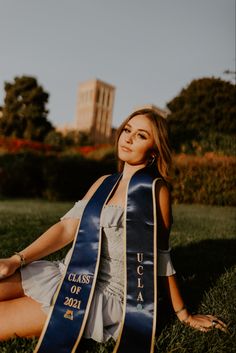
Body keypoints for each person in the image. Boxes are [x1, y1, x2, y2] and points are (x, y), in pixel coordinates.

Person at [0, 108, 226, 346]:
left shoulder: (154, 191)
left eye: (141, 135)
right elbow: (67, 228)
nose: (128, 138)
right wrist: (17, 259)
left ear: (154, 151)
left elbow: (160, 256)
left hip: (102, 294)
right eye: (127, 130)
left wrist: (184, 314)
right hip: (66, 273)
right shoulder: (104, 182)